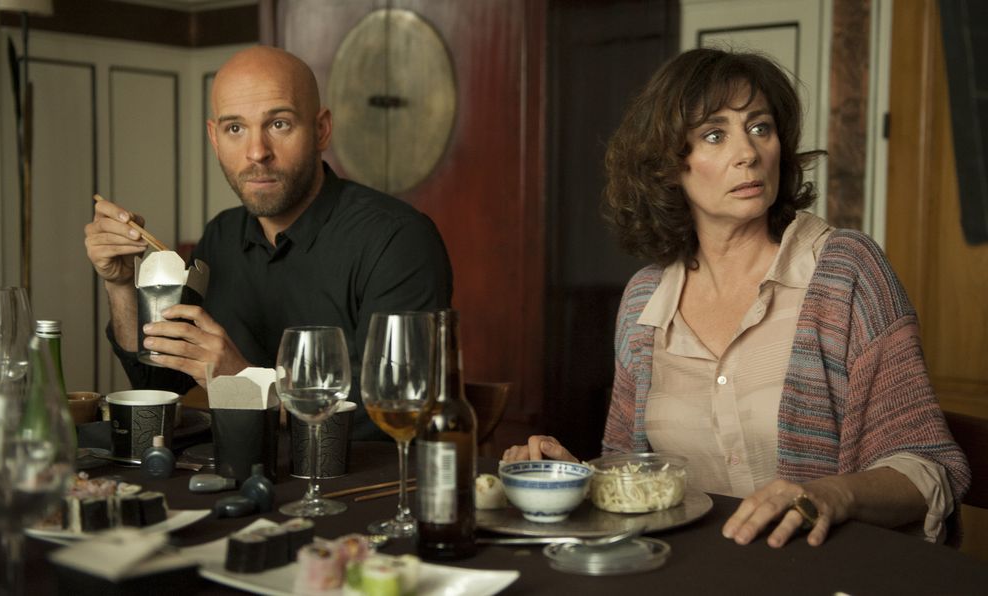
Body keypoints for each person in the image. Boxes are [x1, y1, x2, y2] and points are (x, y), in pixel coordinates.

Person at [503, 48, 970, 547]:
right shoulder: (644, 300)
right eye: (714, 134)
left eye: (760, 127)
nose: (748, 152)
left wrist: (830, 495)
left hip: (822, 574)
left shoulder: (845, 271)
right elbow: (632, 474)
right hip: (684, 574)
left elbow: (927, 468)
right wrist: (573, 477)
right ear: (668, 165)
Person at [84, 46, 452, 440]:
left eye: (279, 124)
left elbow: (393, 409)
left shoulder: (397, 240)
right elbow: (159, 381)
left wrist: (245, 384)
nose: (257, 152)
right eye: (235, 129)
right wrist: (120, 285)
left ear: (321, 130)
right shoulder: (220, 236)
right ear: (214, 138)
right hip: (239, 470)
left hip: (361, 476)